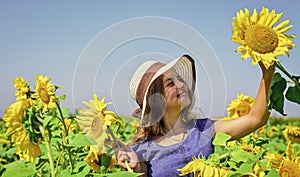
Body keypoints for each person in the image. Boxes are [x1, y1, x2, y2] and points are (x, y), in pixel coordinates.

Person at [113, 54, 274, 177]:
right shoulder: (141, 149)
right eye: (171, 83)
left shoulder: (204, 129)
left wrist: (267, 75)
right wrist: (135, 167)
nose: (182, 85)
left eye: (180, 79)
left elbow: (255, 119)